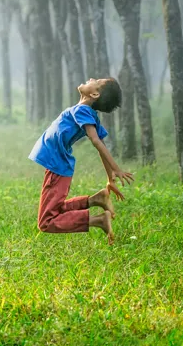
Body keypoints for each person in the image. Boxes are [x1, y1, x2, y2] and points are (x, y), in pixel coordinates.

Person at [28, 78, 134, 244]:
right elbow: (101, 142)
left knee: (46, 222)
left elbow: (97, 141)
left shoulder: (83, 111)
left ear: (94, 93)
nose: (91, 79)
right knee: (55, 209)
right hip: (57, 165)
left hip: (57, 166)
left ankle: (98, 221)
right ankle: (95, 200)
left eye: (97, 81)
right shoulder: (86, 112)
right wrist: (110, 178)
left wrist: (116, 169)